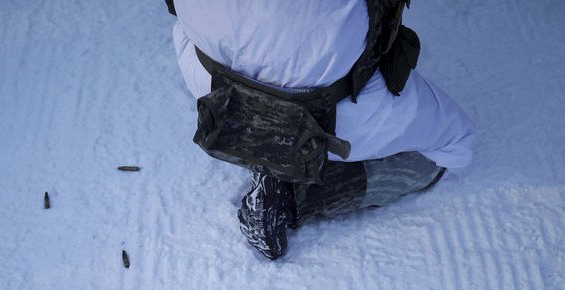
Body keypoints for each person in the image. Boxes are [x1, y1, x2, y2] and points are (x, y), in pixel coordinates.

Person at [166, 0, 476, 260]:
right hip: (327, 110)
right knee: (456, 148)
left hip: (206, 76)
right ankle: (295, 194)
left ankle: (268, 150)